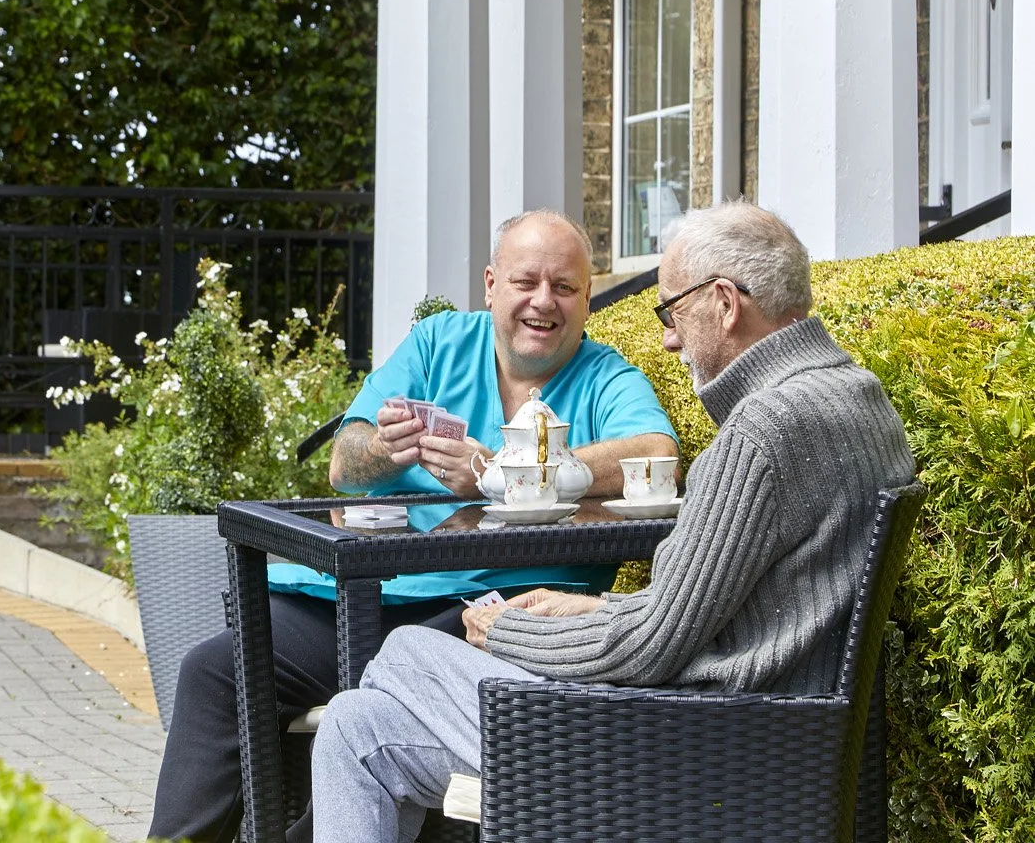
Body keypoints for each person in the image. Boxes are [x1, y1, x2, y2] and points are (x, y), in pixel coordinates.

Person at [307, 201, 918, 843]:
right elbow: (703, 608)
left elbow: (652, 645)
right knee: (358, 723)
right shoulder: (858, 398)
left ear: (724, 303)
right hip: (774, 736)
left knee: (406, 654)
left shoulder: (763, 433)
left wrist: (509, 630)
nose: (669, 338)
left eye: (672, 311)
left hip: (687, 751)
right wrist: (588, 611)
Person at [147, 210, 679, 843]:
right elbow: (346, 462)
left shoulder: (604, 377)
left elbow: (656, 455)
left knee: (376, 697)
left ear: (587, 298)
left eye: (564, 287)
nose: (544, 302)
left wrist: (505, 472)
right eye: (525, 282)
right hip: (366, 594)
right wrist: (383, 449)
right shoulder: (438, 344)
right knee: (214, 670)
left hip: (493, 614)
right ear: (490, 286)